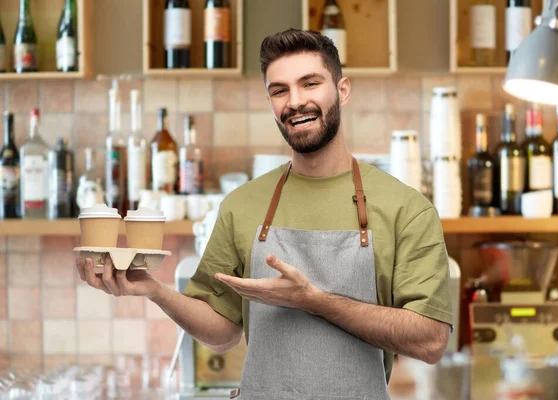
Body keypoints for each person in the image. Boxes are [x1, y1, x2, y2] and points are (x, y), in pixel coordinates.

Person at [76, 28, 453, 399]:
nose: (295, 102)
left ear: (342, 90)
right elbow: (222, 332)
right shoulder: (243, 205)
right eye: (279, 90)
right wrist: (153, 290)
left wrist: (313, 300)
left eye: (310, 84)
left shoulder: (405, 208)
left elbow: (431, 340)